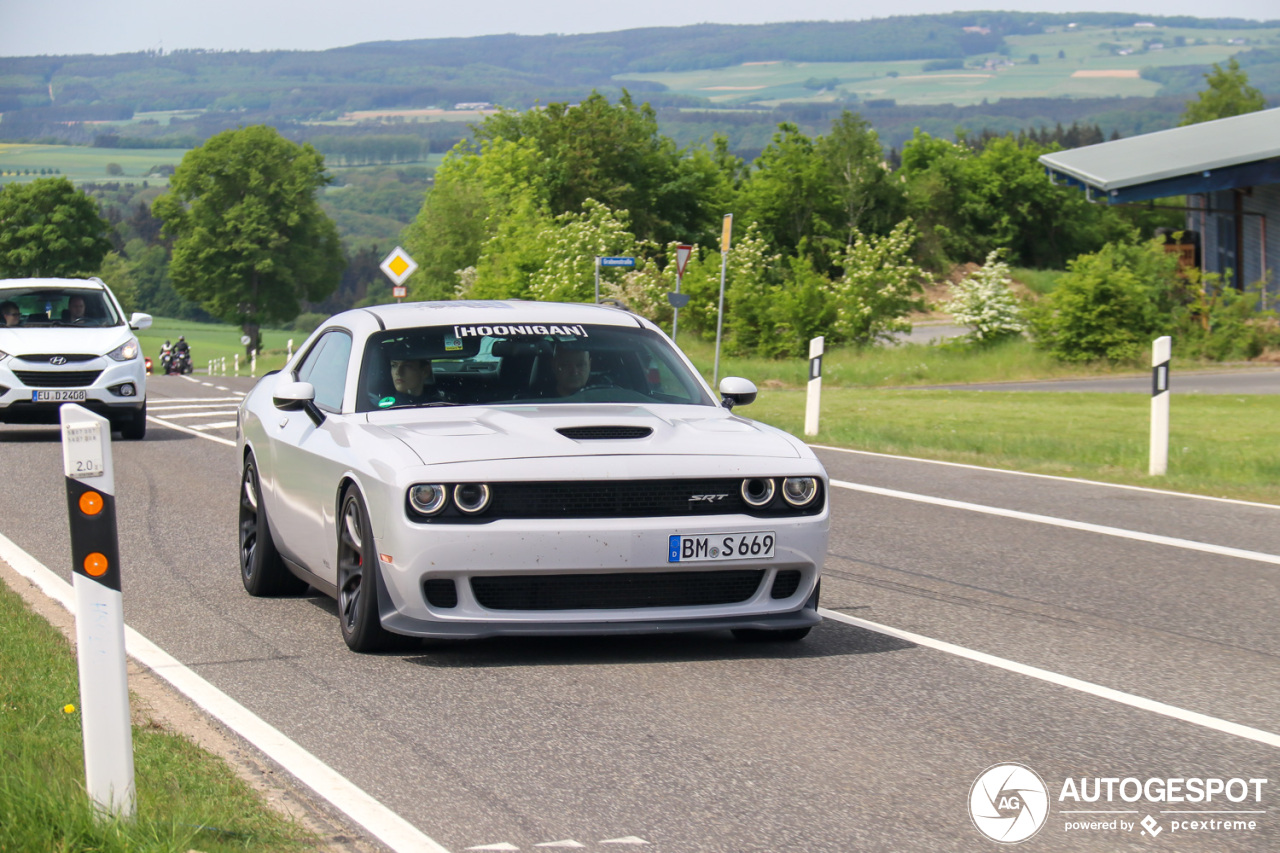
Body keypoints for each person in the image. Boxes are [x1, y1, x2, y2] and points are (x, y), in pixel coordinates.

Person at [376, 356, 447, 408]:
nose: (398, 372)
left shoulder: (441, 406)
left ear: (425, 371)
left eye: (407, 366)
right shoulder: (379, 408)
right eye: (394, 365)